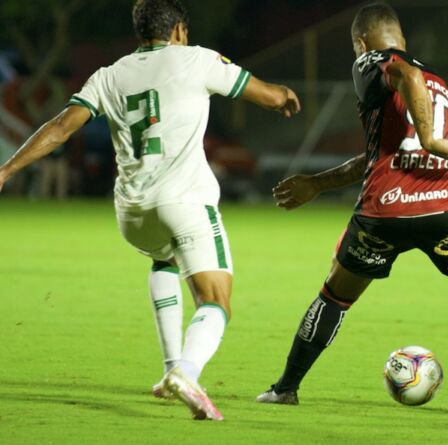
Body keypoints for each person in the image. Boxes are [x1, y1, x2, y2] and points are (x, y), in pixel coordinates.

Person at [0, 0, 300, 421]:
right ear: (178, 29)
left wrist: (7, 169)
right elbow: (268, 97)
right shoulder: (198, 59)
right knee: (216, 302)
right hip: (185, 203)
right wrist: (285, 96)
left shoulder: (109, 75)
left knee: (163, 258)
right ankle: (187, 373)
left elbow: (60, 128)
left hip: (133, 213)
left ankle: (168, 368)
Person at [257, 2, 448, 416]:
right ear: (403, 37)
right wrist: (318, 182)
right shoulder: (436, 80)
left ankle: (286, 388)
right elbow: (381, 153)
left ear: (361, 42)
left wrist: (428, 139)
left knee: (334, 296)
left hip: (384, 213)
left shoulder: (374, 62)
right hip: (445, 209)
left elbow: (402, 77)